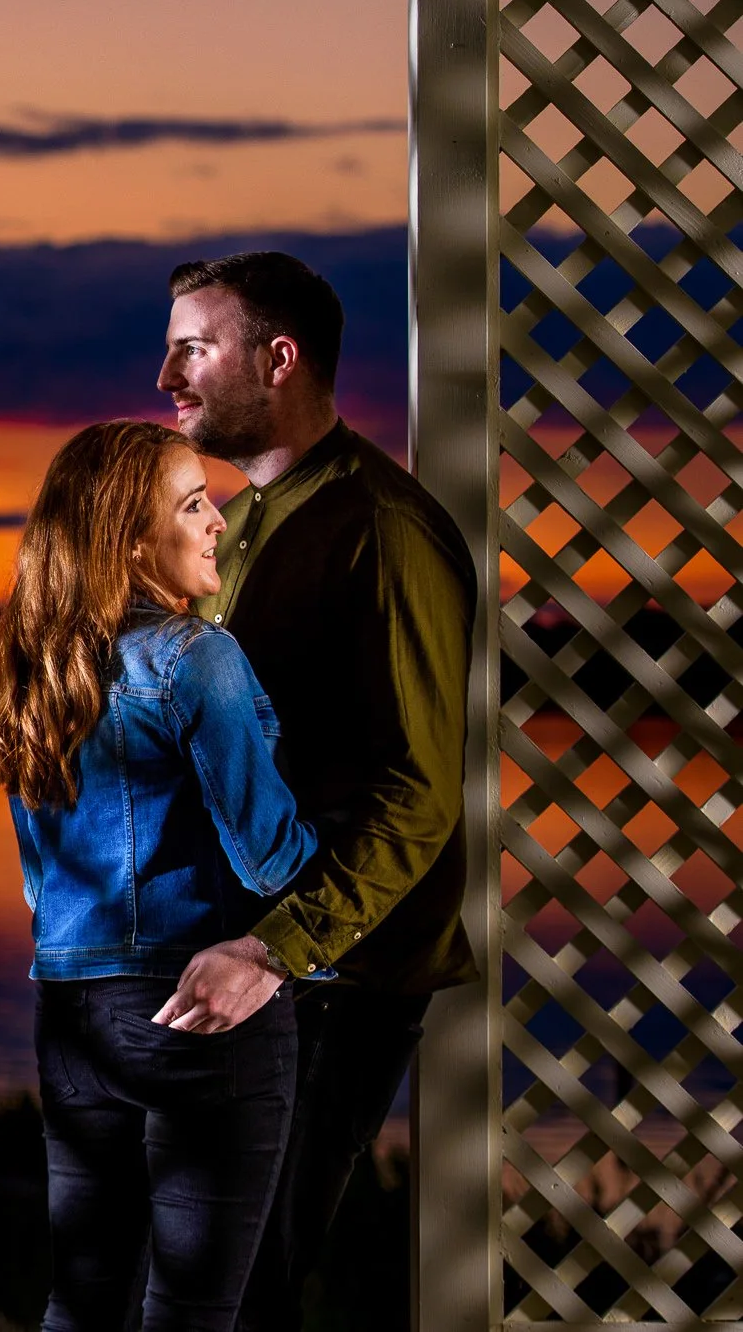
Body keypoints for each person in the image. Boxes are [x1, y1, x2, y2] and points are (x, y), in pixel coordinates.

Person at [147, 251, 476, 1332]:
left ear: (277, 358)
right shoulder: (239, 523)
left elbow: (418, 793)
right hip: (238, 965)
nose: (166, 376)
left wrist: (273, 951)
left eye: (193, 348)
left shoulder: (382, 530)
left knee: (240, 1297)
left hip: (325, 983)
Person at [0, 418, 318, 1332]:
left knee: (81, 1305)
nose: (218, 522)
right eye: (194, 504)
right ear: (132, 540)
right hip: (197, 1013)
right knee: (191, 1314)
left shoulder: (34, 665)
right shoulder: (196, 657)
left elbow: (40, 884)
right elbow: (270, 857)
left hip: (73, 1016)